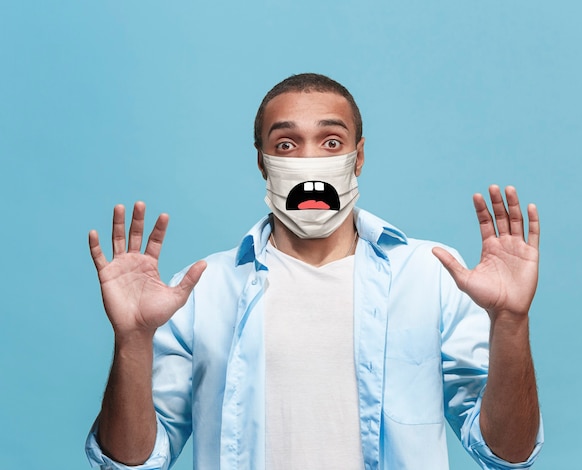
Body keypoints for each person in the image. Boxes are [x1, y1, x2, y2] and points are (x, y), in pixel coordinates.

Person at [85, 73, 543, 469]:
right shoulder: (201, 291)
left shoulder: (432, 275)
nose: (308, 161)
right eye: (286, 143)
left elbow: (508, 453)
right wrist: (132, 340)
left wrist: (510, 322)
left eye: (331, 142)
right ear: (263, 161)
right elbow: (133, 461)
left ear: (358, 156)